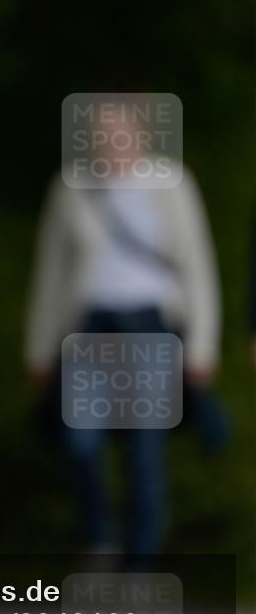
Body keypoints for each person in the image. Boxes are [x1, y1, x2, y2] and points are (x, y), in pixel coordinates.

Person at [23, 109, 222, 559]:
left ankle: (141, 565)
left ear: (141, 133)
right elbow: (51, 273)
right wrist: (39, 345)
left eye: (120, 130)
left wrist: (202, 345)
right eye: (102, 131)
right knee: (80, 442)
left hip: (151, 330)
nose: (111, 139)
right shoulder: (71, 186)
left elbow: (198, 268)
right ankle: (99, 540)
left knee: (145, 452)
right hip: (90, 333)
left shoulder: (173, 183)